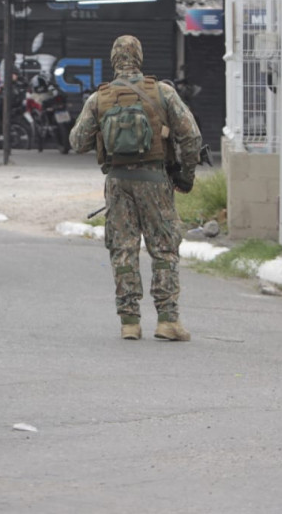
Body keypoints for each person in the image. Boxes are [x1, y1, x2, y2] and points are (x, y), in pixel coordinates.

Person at [69, 35, 202, 342]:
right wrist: (186, 176)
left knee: (123, 249)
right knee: (164, 249)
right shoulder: (162, 92)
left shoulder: (99, 98)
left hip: (117, 183)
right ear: (139, 58)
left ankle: (129, 321)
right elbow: (191, 137)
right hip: (155, 180)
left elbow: (77, 142)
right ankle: (168, 320)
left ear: (114, 60)